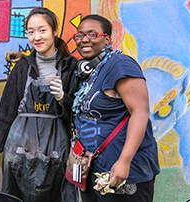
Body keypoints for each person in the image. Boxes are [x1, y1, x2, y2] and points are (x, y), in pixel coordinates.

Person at [60, 14, 160, 202]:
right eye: (79, 35)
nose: (84, 40)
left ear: (107, 38)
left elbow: (140, 112)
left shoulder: (120, 65)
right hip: (93, 170)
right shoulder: (88, 71)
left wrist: (124, 161)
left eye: (92, 34)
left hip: (123, 170)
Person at [0, 7, 78, 202]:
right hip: (20, 150)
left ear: (55, 31)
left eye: (42, 30)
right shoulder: (23, 67)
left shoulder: (70, 66)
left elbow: (78, 114)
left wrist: (62, 98)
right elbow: (6, 112)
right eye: (31, 31)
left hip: (56, 150)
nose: (36, 37)